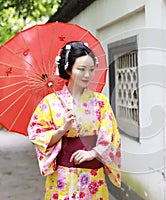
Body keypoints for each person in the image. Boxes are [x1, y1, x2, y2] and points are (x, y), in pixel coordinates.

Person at [27, 41, 121, 200]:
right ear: (68, 69)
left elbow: (111, 136)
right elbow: (36, 135)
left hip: (93, 177)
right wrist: (62, 129)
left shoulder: (101, 102)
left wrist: (93, 152)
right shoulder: (50, 102)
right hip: (63, 178)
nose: (87, 75)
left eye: (91, 70)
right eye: (81, 69)